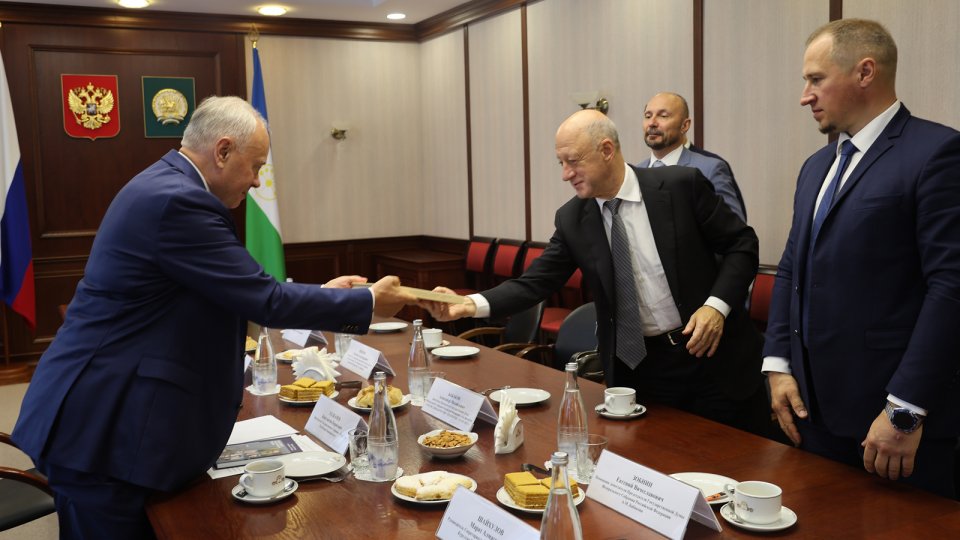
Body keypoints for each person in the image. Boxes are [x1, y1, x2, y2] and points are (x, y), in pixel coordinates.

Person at [11, 96, 417, 538]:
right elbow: (264, 300)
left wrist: (323, 294)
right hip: (106, 427)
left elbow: (231, 286)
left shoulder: (167, 186)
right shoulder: (178, 201)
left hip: (108, 417)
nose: (257, 180)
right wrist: (368, 303)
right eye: (255, 166)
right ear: (223, 151)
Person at [424, 109, 767, 434]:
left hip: (714, 357)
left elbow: (741, 245)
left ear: (606, 150)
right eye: (560, 163)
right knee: (658, 463)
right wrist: (469, 304)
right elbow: (535, 282)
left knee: (735, 464)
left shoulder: (680, 186)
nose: (565, 174)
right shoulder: (573, 219)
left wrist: (716, 306)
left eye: (573, 161)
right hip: (644, 369)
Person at [763, 19, 960, 499]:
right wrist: (778, 364)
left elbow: (951, 286)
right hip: (812, 416)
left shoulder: (936, 153)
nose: (805, 96)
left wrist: (904, 410)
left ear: (865, 72)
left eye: (816, 79)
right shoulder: (816, 166)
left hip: (892, 425)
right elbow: (790, 269)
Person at [637, 92, 747, 222]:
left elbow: (734, 227)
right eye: (648, 116)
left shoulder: (710, 169)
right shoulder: (636, 173)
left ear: (685, 125)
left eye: (663, 116)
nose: (652, 123)